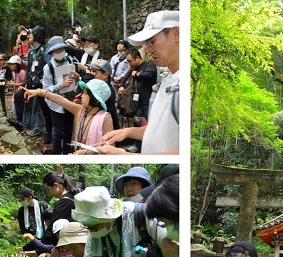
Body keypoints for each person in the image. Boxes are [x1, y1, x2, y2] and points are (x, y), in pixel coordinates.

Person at [97, 10, 179, 155]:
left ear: (176, 34)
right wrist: (127, 132)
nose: (148, 50)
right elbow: (158, 130)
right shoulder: (166, 81)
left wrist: (124, 156)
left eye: (152, 42)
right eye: (146, 45)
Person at [24, 77, 112, 155]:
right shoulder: (80, 110)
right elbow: (60, 100)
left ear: (95, 99)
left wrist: (84, 153)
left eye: (85, 93)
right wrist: (39, 92)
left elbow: (109, 148)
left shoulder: (105, 118)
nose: (81, 96)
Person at [39, 36, 80, 154]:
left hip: (69, 101)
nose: (59, 52)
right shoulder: (48, 68)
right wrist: (61, 85)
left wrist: (77, 78)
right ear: (51, 52)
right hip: (55, 104)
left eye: (61, 49)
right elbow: (46, 89)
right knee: (58, 132)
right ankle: (56, 154)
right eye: (56, 50)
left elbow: (76, 82)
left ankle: (66, 152)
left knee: (69, 130)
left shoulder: (70, 61)